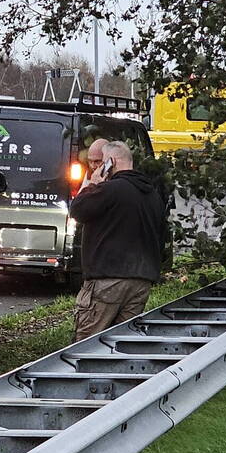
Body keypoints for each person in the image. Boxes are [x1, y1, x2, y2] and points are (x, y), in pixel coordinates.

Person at [70, 139, 166, 340]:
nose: (96, 167)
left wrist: (93, 184)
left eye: (101, 162)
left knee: (86, 345)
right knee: (120, 344)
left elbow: (77, 210)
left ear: (111, 162)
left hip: (107, 280)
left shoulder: (109, 190)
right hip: (141, 282)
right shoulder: (151, 195)